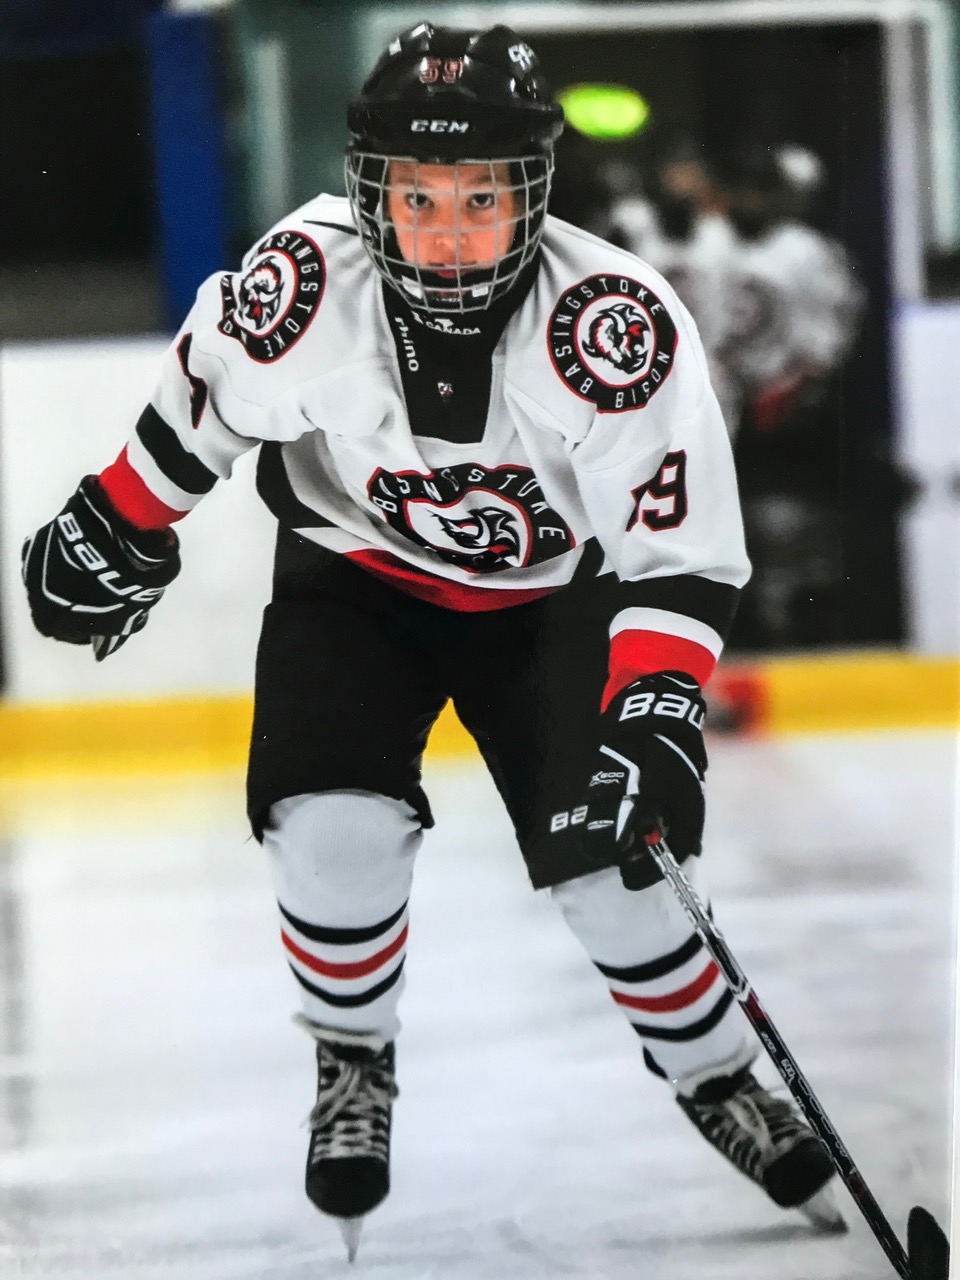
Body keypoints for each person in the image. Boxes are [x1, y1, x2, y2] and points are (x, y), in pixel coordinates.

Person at [20, 22, 843, 1259]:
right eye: (415, 195)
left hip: (553, 604)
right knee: (329, 831)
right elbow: (201, 409)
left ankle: (721, 1072)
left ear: (534, 194)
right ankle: (354, 1058)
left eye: (479, 196)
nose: (447, 230)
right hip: (356, 589)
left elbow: (675, 553)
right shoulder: (305, 284)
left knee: (619, 879)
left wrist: (660, 703)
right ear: (371, 192)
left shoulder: (614, 327)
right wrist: (123, 515)